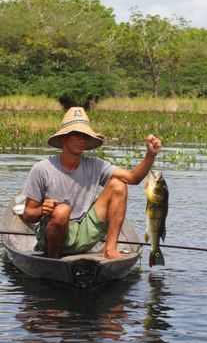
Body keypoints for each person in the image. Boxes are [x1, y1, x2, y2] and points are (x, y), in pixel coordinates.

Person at [22, 106, 162, 259]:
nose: (81, 139)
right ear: (64, 138)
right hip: (55, 237)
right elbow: (28, 215)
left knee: (118, 184)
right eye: (76, 134)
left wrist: (150, 155)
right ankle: (53, 259)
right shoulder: (42, 169)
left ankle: (110, 249)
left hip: (85, 231)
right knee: (62, 211)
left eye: (84, 135)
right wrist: (42, 209)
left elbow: (133, 178)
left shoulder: (95, 165)